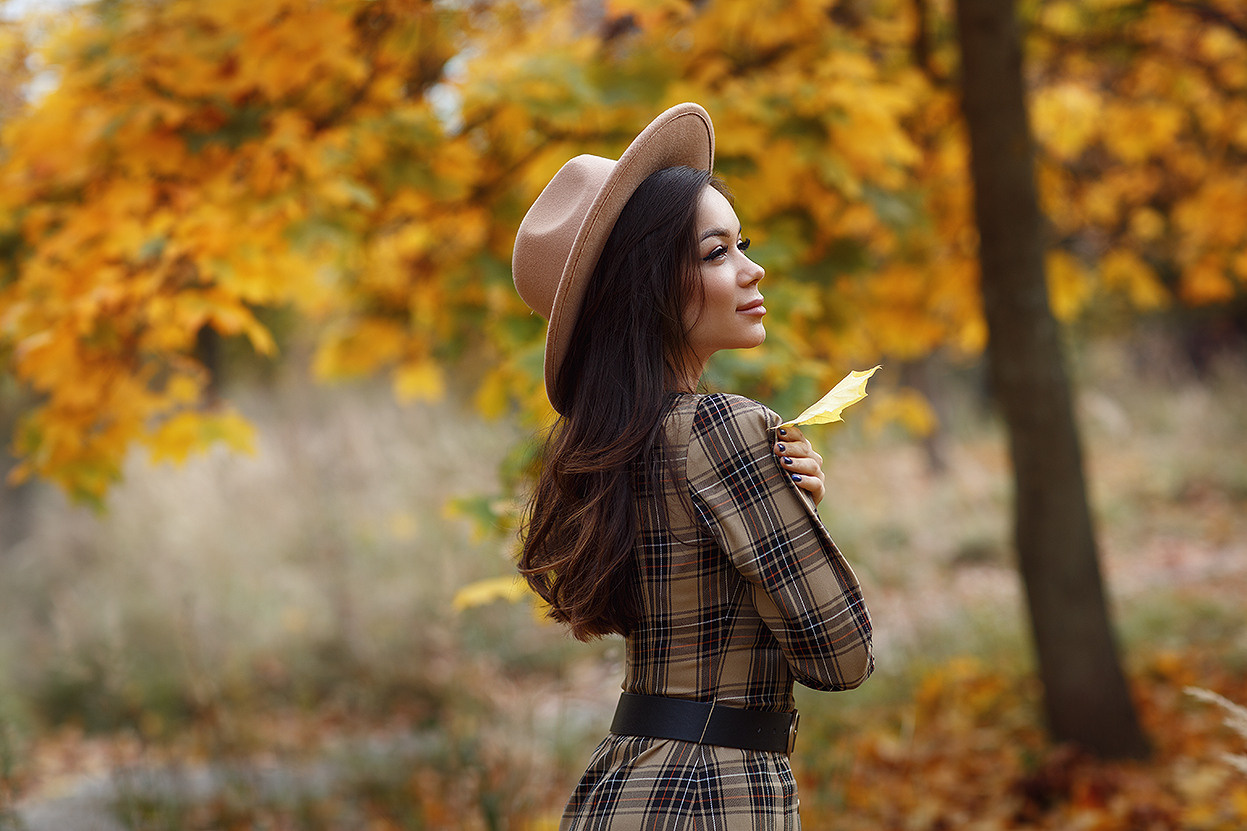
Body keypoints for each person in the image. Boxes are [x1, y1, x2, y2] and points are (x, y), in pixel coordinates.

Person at [511, 103, 874, 830]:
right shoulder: (728, 431)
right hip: (712, 795)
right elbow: (841, 655)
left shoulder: (617, 445)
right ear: (647, 289)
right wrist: (793, 515)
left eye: (743, 244)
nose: (753, 267)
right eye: (717, 254)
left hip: (623, 785)